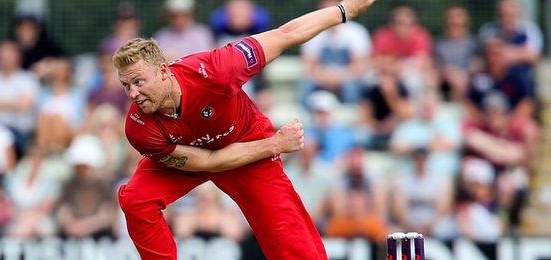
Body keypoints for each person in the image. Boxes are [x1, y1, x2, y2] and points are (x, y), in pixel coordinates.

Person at [114, 0, 378, 259]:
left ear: (163, 71)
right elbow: (209, 161)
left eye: (138, 81)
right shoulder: (138, 127)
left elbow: (286, 34)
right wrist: (275, 144)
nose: (133, 94)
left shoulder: (218, 69)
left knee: (291, 243)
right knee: (137, 200)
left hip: (247, 146)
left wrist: (345, 10)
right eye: (126, 85)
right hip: (195, 155)